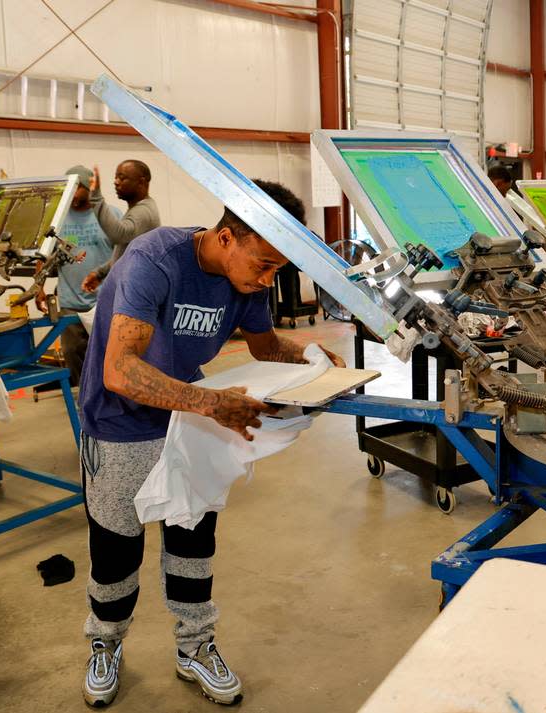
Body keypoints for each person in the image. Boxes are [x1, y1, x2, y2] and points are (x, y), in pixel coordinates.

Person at [77, 179, 344, 708]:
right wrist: (215, 405)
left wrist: (317, 363)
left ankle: (194, 646)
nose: (269, 279)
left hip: (191, 417)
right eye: (264, 265)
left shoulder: (247, 282)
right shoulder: (154, 259)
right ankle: (105, 643)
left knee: (193, 538)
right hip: (122, 423)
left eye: (278, 270)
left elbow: (266, 346)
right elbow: (119, 371)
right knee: (117, 547)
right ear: (226, 238)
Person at [35, 165, 116, 385]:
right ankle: (84, 400)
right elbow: (42, 255)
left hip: (107, 301)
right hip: (70, 302)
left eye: (76, 188)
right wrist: (39, 287)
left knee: (112, 354)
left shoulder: (110, 215)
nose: (70, 193)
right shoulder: (57, 220)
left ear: (89, 186)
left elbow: (125, 251)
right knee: (73, 353)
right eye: (68, 188)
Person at [81, 159, 161, 293]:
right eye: (116, 177)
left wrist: (95, 197)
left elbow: (119, 234)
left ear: (141, 182)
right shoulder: (137, 209)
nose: (116, 182)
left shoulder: (143, 212)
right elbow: (125, 251)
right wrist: (101, 273)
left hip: (135, 293)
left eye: (122, 178)